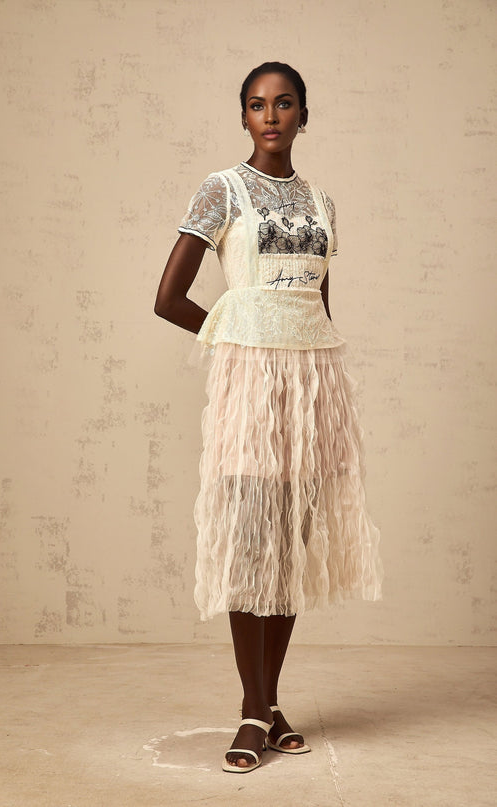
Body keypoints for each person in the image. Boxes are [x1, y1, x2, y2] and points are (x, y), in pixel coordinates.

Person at [154, 62, 384, 774]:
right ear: (244, 117)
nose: (272, 116)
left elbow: (319, 306)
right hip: (250, 387)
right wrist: (234, 339)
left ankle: (269, 702)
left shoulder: (321, 202)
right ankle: (254, 711)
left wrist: (315, 380)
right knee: (253, 544)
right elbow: (167, 298)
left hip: (313, 390)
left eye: (285, 104)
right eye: (257, 105)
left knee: (289, 546)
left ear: (303, 114)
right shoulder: (222, 189)